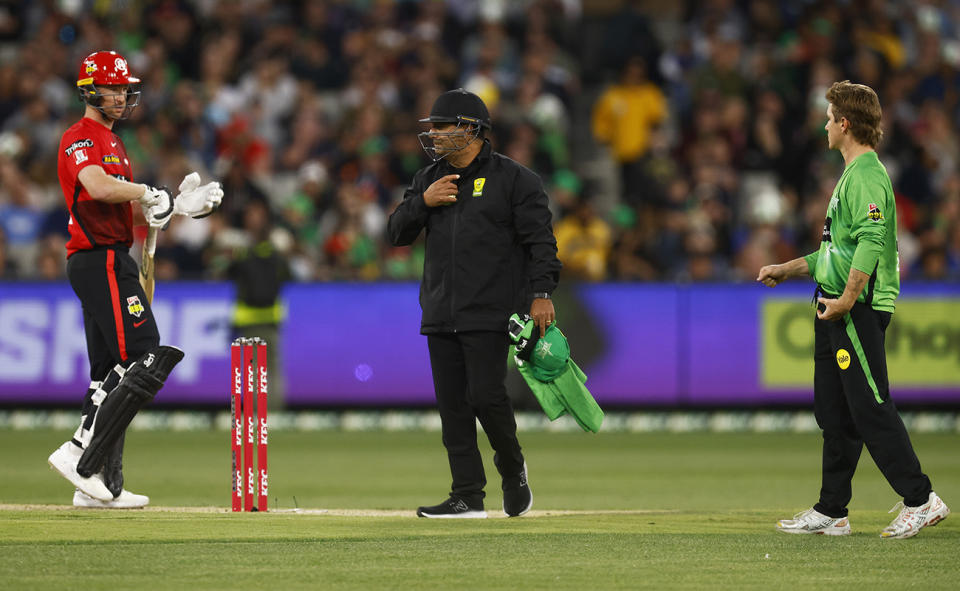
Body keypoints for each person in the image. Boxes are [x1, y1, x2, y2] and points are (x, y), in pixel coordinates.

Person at [758, 81, 949, 539]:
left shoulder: (866, 173)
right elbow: (835, 253)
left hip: (854, 308)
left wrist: (846, 299)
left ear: (845, 124)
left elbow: (870, 240)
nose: (824, 125)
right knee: (835, 412)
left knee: (870, 406)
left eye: (829, 118)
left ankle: (921, 499)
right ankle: (833, 510)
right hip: (834, 303)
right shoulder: (852, 173)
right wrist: (787, 268)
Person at [47, 51, 221, 508]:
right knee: (146, 352)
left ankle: (101, 485)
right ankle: (81, 455)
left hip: (113, 255)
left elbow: (123, 202)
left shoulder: (113, 140)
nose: (123, 96)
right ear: (90, 91)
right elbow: (100, 187)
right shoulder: (79, 137)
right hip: (97, 259)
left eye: (126, 89)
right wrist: (149, 192)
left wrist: (171, 207)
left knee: (110, 369)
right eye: (114, 88)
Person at [387, 88, 561, 518]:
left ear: (471, 129)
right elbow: (395, 234)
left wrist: (541, 295)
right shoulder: (429, 179)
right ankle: (467, 495)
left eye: (443, 127)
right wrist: (422, 204)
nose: (435, 135)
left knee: (485, 396)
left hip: (492, 310)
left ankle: (512, 465)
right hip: (441, 309)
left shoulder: (517, 180)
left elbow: (542, 244)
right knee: (453, 408)